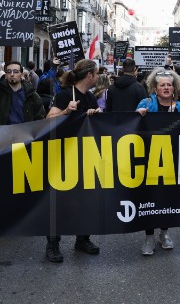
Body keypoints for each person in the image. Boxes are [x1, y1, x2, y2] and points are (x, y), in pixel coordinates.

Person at [44, 59, 102, 262]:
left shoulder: (90, 98)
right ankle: (52, 244)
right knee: (58, 202)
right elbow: (48, 120)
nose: (98, 77)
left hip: (85, 155)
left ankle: (82, 238)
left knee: (85, 200)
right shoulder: (65, 95)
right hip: (63, 155)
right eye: (96, 73)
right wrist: (66, 111)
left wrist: (98, 115)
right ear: (90, 76)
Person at [135, 69, 180, 255]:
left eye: (169, 84)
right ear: (155, 88)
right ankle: (148, 238)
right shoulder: (146, 104)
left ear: (175, 87)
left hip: (173, 161)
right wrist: (137, 114)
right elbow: (132, 124)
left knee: (169, 198)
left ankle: (164, 234)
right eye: (162, 85)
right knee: (149, 198)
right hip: (149, 161)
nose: (166, 87)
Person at [0, 41, 45, 125]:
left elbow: (40, 119)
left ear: (22, 74)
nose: (12, 74)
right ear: (5, 75)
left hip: (25, 136)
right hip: (2, 135)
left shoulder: (32, 96)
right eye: (9, 71)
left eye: (16, 71)